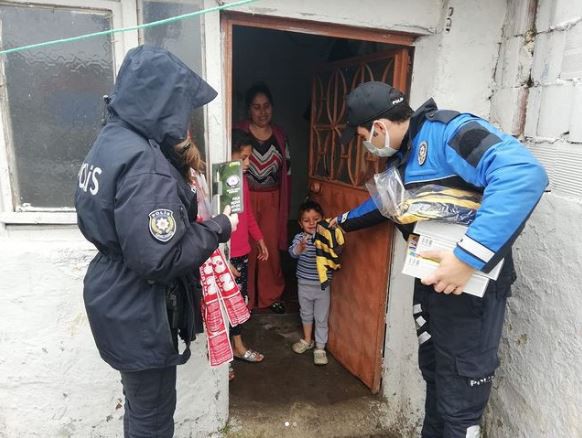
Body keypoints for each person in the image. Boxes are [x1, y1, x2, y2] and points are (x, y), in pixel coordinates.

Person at [333, 81, 548, 438]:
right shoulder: (405, 153)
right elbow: (387, 203)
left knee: (460, 402)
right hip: (434, 284)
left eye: (362, 136)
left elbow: (523, 174)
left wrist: (467, 258)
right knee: (436, 380)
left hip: (470, 290)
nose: (366, 145)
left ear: (379, 128)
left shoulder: (450, 132)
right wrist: (338, 223)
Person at [74, 45, 238, 438]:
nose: (184, 118)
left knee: (140, 406)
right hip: (139, 308)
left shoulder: (111, 141)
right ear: (161, 101)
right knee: (154, 416)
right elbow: (160, 258)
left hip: (115, 298)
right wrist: (218, 227)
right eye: (180, 105)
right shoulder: (145, 165)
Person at [234, 82, 291, 313]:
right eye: (256, 107)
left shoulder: (280, 135)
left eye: (266, 106)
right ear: (249, 109)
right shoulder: (238, 132)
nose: (262, 112)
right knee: (243, 247)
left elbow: (287, 171)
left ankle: (270, 296)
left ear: (272, 108)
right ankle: (244, 298)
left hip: (271, 199)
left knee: (268, 248)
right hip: (245, 197)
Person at [228, 129, 268, 377]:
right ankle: (225, 359)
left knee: (238, 304)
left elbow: (248, 214)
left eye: (249, 158)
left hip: (242, 252)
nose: (247, 163)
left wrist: (260, 239)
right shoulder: (221, 182)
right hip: (226, 257)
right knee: (224, 306)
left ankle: (239, 347)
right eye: (242, 157)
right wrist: (222, 259)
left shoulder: (241, 180)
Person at [289, 200, 330, 366]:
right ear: (300, 223)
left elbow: (335, 253)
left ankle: (320, 347)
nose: (312, 223)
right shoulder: (300, 238)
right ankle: (307, 340)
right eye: (307, 220)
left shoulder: (327, 236)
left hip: (322, 285)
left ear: (323, 219)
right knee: (306, 313)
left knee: (321, 317)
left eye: (316, 219)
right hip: (304, 284)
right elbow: (292, 253)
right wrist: (300, 248)